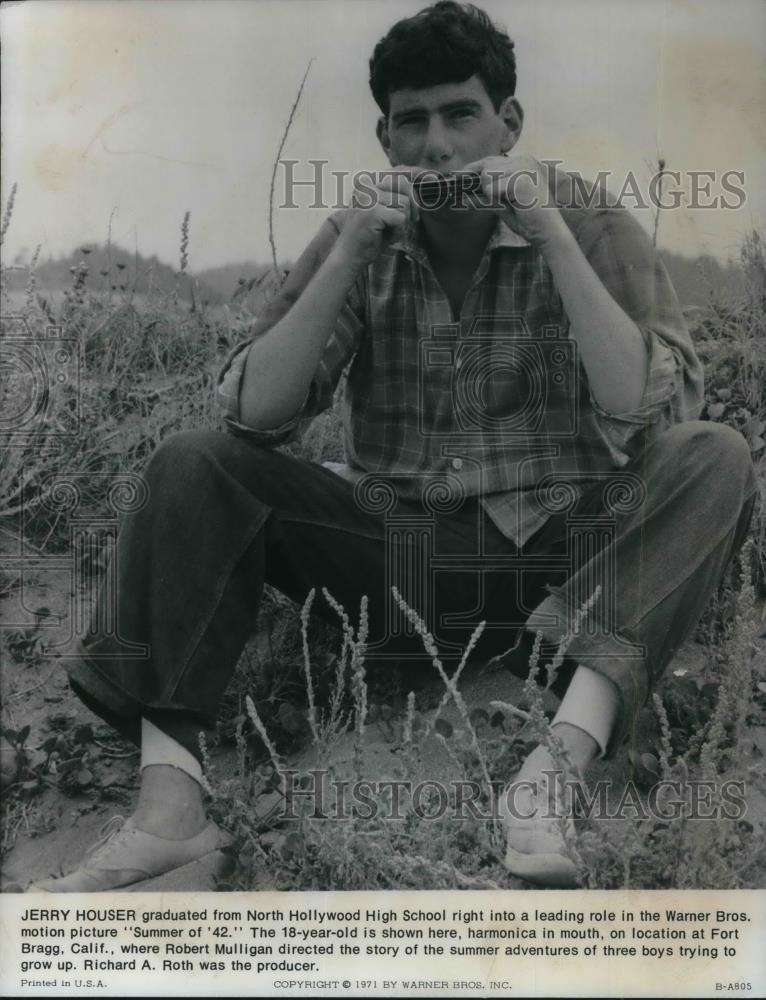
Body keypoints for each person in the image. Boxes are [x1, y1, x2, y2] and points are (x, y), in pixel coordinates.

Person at [31, 1, 756, 892]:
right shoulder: (358, 234)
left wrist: (552, 236)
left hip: (573, 562)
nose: (438, 147)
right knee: (193, 461)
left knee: (713, 452)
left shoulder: (590, 222)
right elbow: (255, 415)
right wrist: (347, 255)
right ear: (385, 137)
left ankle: (552, 774)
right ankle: (168, 810)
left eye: (461, 115)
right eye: (411, 123)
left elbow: (646, 409)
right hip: (405, 567)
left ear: (509, 123)